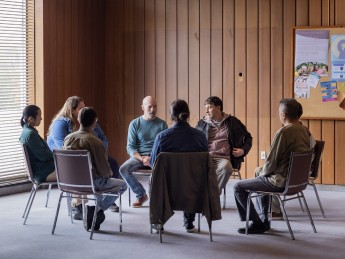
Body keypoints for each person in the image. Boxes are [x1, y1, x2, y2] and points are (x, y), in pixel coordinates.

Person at [233, 98, 311, 234]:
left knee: (238, 187)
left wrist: (263, 174)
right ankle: (264, 220)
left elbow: (271, 162)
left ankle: (257, 223)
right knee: (259, 172)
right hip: (297, 181)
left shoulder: (284, 132)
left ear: (283, 115)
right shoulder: (304, 130)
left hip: (280, 181)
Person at [47, 96, 120, 219]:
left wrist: (101, 151)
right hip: (70, 160)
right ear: (72, 110)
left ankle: (106, 197)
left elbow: (103, 139)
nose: (83, 109)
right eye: (81, 108)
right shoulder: (60, 123)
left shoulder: (88, 119)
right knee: (83, 169)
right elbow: (64, 148)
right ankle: (78, 205)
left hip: (92, 152)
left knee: (112, 163)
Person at [63, 107, 127, 232]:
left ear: (79, 120)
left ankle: (93, 211)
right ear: (95, 121)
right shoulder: (95, 142)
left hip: (69, 183)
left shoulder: (68, 139)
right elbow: (104, 170)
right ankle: (96, 209)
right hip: (92, 183)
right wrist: (108, 175)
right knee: (122, 185)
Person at [150, 99, 208, 233]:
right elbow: (205, 165)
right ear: (188, 114)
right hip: (193, 190)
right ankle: (189, 223)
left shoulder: (161, 137)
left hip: (167, 190)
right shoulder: (200, 137)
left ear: (171, 116)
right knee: (191, 178)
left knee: (154, 181)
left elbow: (154, 164)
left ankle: (159, 223)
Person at [196, 96, 253, 193]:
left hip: (224, 158)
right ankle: (208, 197)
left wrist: (243, 150)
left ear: (218, 108)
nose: (206, 111)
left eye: (209, 108)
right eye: (205, 108)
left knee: (226, 168)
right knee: (192, 168)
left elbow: (248, 137)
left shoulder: (232, 122)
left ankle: (212, 196)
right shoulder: (202, 123)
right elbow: (195, 141)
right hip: (205, 157)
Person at [119, 96, 168, 208]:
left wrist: (152, 157)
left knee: (164, 169)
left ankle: (159, 199)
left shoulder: (162, 124)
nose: (152, 109)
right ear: (143, 107)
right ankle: (141, 195)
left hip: (156, 156)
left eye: (155, 106)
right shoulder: (134, 124)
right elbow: (131, 147)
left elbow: (164, 146)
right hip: (138, 157)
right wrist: (141, 158)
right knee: (123, 169)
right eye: (149, 107)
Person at [19, 105, 56, 183]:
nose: (41, 118)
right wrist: (57, 155)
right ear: (31, 119)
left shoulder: (26, 131)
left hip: (41, 169)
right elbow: (44, 156)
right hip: (43, 172)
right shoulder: (31, 134)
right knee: (74, 172)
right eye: (39, 116)